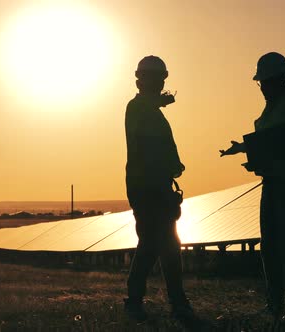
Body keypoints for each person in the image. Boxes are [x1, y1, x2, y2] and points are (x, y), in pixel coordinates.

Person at [220, 52, 285, 323]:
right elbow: (267, 143)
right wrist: (244, 149)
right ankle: (275, 304)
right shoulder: (272, 110)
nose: (261, 87)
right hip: (272, 184)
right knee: (269, 246)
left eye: (263, 82)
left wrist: (264, 159)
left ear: (277, 80)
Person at [123, 55, 193, 323]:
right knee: (155, 242)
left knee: (163, 243)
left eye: (161, 78)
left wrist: (174, 167)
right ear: (141, 80)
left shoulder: (152, 112)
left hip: (155, 185)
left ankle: (171, 300)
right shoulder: (138, 108)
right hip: (147, 186)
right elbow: (151, 150)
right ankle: (142, 300)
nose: (160, 83)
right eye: (155, 78)